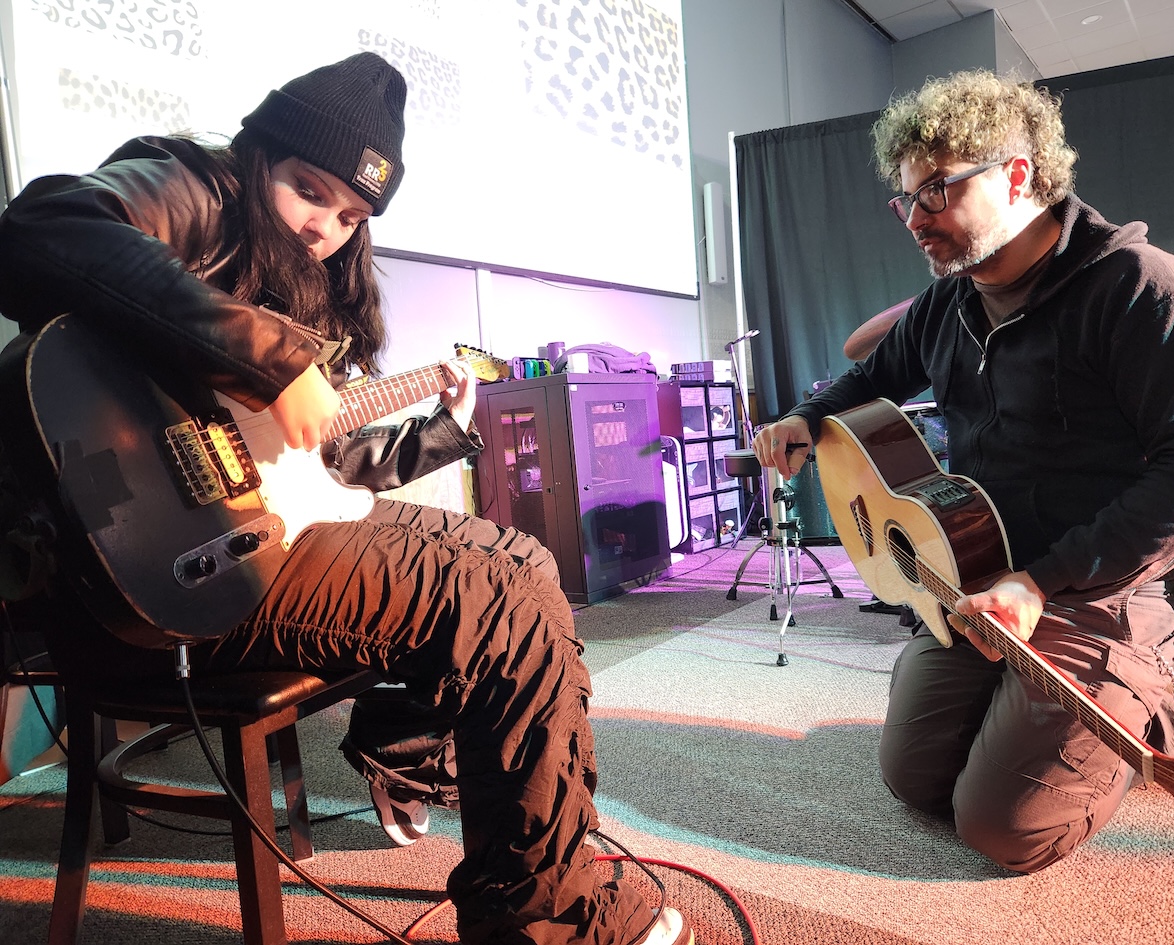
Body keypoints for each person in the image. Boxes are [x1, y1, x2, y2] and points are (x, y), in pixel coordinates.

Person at [0, 53, 691, 945]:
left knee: (514, 561)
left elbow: (323, 472)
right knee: (506, 586)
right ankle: (538, 914)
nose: (326, 227)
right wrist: (272, 359)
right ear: (259, 156)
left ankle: (426, 774)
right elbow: (39, 228)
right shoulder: (195, 186)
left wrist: (440, 434)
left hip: (258, 536)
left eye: (352, 214)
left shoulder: (318, 285)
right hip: (144, 571)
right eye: (307, 190)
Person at [754, 69, 1174, 873]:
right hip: (978, 576)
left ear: (1018, 175)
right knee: (913, 778)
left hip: (1103, 590)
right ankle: (1037, 712)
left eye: (937, 192)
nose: (916, 221)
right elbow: (870, 377)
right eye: (906, 200)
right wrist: (805, 417)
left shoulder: (1143, 290)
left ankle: (1156, 690)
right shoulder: (945, 302)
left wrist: (1043, 579)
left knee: (1000, 828)